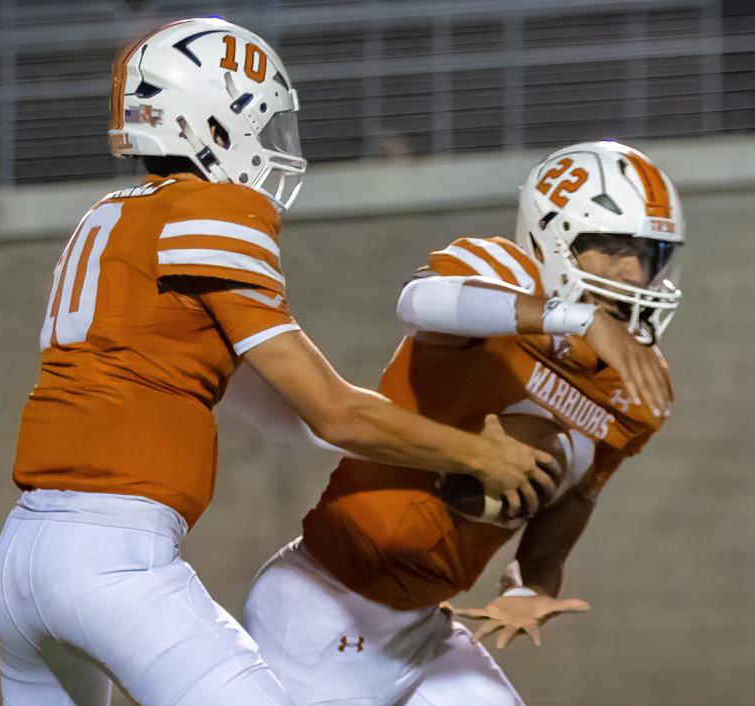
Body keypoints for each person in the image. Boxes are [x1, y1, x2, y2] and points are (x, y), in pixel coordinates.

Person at [0, 18, 556, 706]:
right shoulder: (211, 210)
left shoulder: (110, 216)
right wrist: (473, 453)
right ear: (215, 125)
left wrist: (410, 442)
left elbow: (290, 415)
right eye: (262, 125)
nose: (274, 149)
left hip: (21, 559)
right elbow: (333, 412)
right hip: (113, 559)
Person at [243, 141, 683, 705]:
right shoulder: (503, 276)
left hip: (421, 626)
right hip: (322, 607)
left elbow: (564, 514)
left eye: (649, 252)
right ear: (556, 235)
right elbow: (422, 301)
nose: (633, 270)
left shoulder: (638, 389)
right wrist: (569, 318)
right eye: (613, 247)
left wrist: (532, 585)